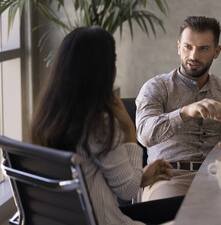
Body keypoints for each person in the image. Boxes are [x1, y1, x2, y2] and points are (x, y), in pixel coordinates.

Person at [30, 26, 183, 225]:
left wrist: (141, 178)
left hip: (80, 218)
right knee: (195, 209)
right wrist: (129, 130)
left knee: (185, 204)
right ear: (103, 69)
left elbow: (95, 178)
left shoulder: (48, 115)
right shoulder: (98, 123)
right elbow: (127, 191)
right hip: (108, 220)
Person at [136, 16, 221, 201]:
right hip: (169, 177)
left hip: (217, 175)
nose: (193, 56)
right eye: (188, 47)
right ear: (179, 47)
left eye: (203, 49)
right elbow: (144, 135)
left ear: (216, 51)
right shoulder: (156, 87)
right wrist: (185, 112)